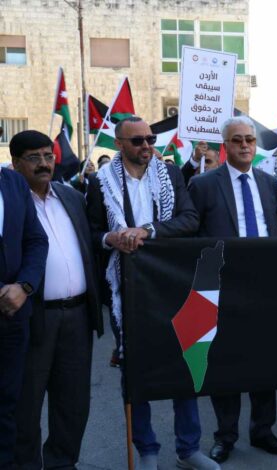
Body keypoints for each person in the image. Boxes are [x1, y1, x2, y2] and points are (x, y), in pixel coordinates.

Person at [85, 116, 211, 470]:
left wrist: (148, 231)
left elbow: (189, 219)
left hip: (172, 284)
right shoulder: (99, 182)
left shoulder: (170, 175)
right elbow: (91, 232)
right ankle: (147, 450)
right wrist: (111, 238)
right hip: (127, 288)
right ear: (119, 144)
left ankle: (188, 449)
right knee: (135, 369)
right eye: (138, 141)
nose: (146, 146)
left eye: (150, 139)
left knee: (185, 363)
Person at [188, 116, 277, 464]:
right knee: (226, 363)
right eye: (237, 140)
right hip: (223, 288)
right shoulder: (203, 185)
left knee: (265, 362)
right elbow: (192, 236)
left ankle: (263, 430)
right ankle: (225, 435)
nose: (245, 145)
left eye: (250, 140)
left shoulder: (269, 182)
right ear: (225, 145)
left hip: (264, 287)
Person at [10, 130, 102, 469]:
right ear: (15, 163)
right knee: (26, 404)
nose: (44, 164)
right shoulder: (8, 202)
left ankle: (62, 463)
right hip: (32, 317)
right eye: (34, 158)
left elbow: (91, 244)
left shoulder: (71, 197)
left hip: (77, 317)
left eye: (48, 156)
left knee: (73, 402)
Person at [0, 139, 49, 470]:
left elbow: (35, 240)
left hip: (13, 316)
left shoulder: (14, 183)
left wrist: (24, 286)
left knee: (7, 405)